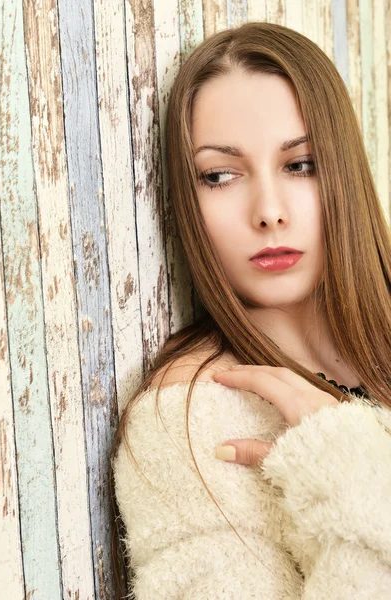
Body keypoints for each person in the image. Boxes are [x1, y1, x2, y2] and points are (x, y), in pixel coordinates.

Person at [110, 21, 391, 599]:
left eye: (301, 165)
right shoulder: (192, 419)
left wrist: (355, 459)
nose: (268, 212)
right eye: (220, 176)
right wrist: (347, 466)